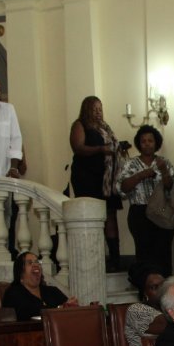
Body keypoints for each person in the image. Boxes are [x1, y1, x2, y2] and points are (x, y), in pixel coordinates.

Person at [69, 96, 128, 268]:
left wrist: (118, 148)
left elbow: (112, 148)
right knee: (93, 214)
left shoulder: (105, 128)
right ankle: (93, 254)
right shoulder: (80, 125)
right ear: (86, 109)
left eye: (100, 109)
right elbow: (78, 147)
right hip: (87, 176)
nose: (98, 112)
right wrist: (101, 149)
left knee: (110, 214)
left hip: (107, 178)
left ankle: (115, 257)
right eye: (94, 109)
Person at [119, 124, 174, 276]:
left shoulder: (164, 162)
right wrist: (142, 175)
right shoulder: (130, 164)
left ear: (156, 143)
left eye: (150, 140)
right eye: (143, 141)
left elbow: (170, 188)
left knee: (163, 253)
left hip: (162, 212)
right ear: (139, 144)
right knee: (144, 254)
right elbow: (122, 188)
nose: (147, 144)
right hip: (139, 213)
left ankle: (166, 291)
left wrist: (164, 171)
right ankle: (146, 292)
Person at [2, 251, 76, 320]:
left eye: (37, 262)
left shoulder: (52, 291)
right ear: (21, 273)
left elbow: (67, 308)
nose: (36, 265)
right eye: (30, 263)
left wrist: (70, 306)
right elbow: (25, 314)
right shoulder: (13, 293)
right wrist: (58, 310)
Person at [124, 265, 166, 346]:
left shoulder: (168, 307)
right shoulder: (135, 310)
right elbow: (165, 326)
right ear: (144, 292)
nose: (161, 291)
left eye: (163, 286)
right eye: (154, 287)